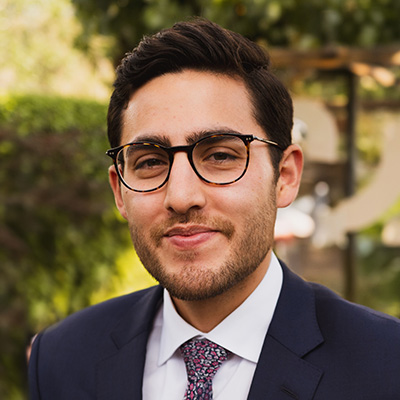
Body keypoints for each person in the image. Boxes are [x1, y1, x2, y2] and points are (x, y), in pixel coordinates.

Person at [28, 18, 400, 400]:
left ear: (285, 176)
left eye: (220, 155)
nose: (181, 196)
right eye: (150, 162)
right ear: (120, 191)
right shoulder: (60, 360)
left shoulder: (388, 365)